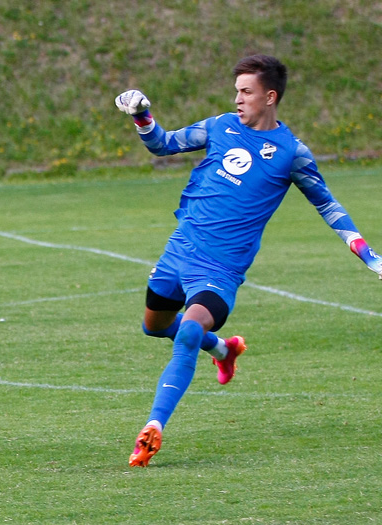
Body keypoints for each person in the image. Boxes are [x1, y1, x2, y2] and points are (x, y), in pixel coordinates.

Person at [115, 54, 382, 467]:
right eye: (236, 91)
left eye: (246, 91)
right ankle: (223, 350)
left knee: (187, 332)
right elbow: (164, 144)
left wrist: (366, 253)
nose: (237, 99)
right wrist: (142, 116)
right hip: (179, 250)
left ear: (269, 97)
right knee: (155, 328)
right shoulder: (219, 126)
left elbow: (328, 206)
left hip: (220, 270)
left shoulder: (292, 154)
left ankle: (154, 427)